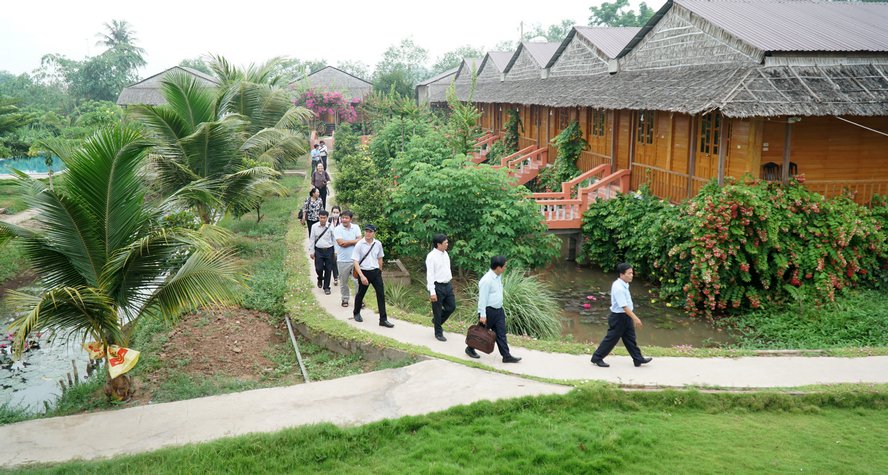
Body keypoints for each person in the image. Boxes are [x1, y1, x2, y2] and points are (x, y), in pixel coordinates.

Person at [590, 263, 653, 368]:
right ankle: (597, 357)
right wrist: (635, 318)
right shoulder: (619, 287)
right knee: (611, 339)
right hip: (619, 318)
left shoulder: (624, 284)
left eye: (632, 273)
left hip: (625, 317)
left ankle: (638, 359)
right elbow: (624, 306)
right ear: (622, 274)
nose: (632, 275)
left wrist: (631, 317)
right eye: (629, 273)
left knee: (630, 339)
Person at [465, 256, 521, 363]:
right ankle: (470, 348)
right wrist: (482, 314)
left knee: (501, 334)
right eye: (504, 266)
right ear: (498, 267)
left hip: (499, 311)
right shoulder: (486, 280)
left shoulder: (498, 276)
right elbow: (482, 299)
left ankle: (506, 356)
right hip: (488, 311)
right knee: (480, 333)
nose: (505, 268)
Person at [352, 224, 394, 328]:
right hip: (364, 271)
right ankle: (356, 312)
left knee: (381, 295)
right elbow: (355, 261)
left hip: (375, 272)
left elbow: (380, 258)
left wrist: (380, 270)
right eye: (366, 231)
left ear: (374, 233)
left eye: (370, 231)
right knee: (361, 294)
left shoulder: (378, 244)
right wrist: (361, 276)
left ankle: (383, 319)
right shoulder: (359, 244)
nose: (367, 233)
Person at [426, 234, 455, 342]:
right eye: (445, 243)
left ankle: (437, 321)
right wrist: (432, 291)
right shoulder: (431, 257)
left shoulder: (445, 253)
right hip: (437, 286)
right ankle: (438, 332)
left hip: (447, 285)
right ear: (438, 244)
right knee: (437, 311)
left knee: (451, 307)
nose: (447, 245)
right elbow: (430, 275)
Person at [333, 210, 361, 307]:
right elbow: (341, 243)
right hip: (342, 260)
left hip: (355, 260)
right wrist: (354, 241)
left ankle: (359, 300)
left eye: (346, 218)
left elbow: (360, 241)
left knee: (357, 281)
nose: (344, 220)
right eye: (342, 218)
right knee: (343, 281)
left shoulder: (356, 227)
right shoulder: (337, 229)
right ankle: (345, 299)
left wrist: (348, 242)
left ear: (350, 219)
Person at [308, 210, 335, 294]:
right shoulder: (314, 226)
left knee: (328, 268)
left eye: (324, 218)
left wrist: (335, 251)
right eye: (321, 217)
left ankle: (326, 287)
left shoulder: (331, 226)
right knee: (318, 268)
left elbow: (334, 239)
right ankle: (320, 277)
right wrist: (311, 251)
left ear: (327, 218)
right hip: (318, 250)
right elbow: (312, 239)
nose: (322, 219)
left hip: (329, 250)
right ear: (318, 217)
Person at [329, 206, 342, 286]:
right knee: (333, 260)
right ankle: (335, 277)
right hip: (331, 243)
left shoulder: (342, 221)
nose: (335, 214)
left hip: (340, 243)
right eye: (334, 212)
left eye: (337, 212)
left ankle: (339, 275)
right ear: (331, 212)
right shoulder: (329, 220)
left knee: (338, 260)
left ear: (340, 213)